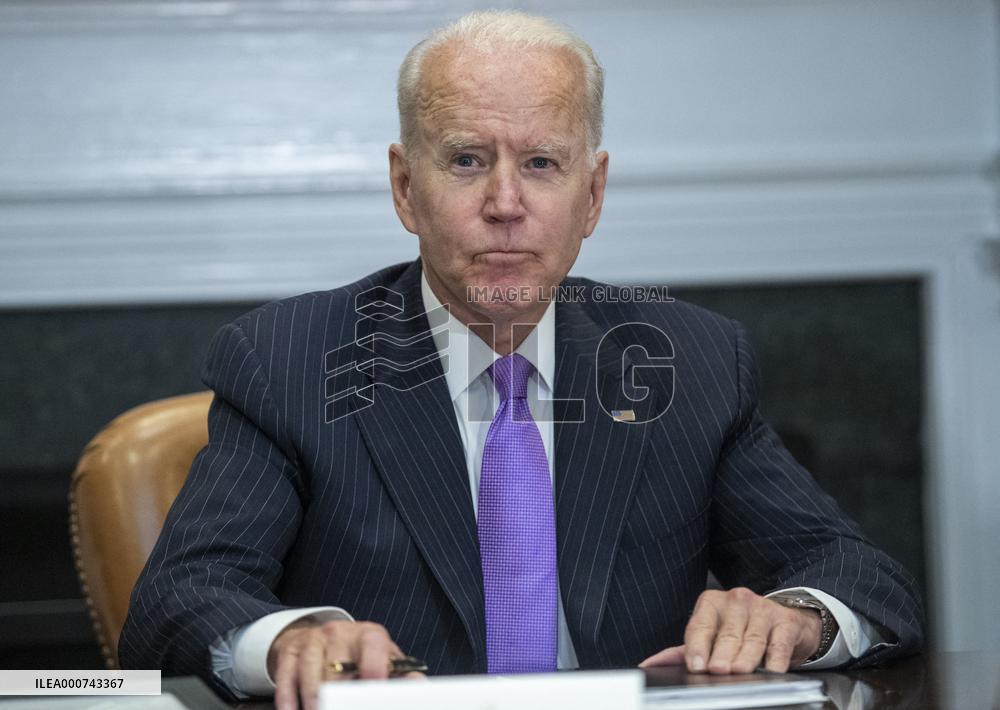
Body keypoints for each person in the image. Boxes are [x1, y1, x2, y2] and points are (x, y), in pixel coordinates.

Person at [119, 10, 922, 710]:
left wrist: (800, 616)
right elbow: (178, 604)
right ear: (405, 187)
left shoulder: (690, 360)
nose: (506, 204)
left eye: (542, 163)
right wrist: (290, 637)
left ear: (593, 195)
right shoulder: (287, 361)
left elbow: (856, 572)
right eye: (467, 160)